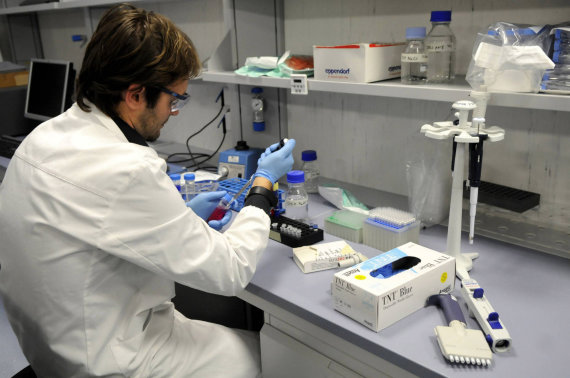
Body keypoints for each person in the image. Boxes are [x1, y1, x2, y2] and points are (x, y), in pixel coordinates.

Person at [0, 4, 295, 377]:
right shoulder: (127, 168)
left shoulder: (41, 139)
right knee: (270, 357)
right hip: (113, 359)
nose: (173, 113)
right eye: (174, 101)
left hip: (56, 347)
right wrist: (262, 188)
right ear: (136, 94)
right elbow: (230, 271)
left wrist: (181, 218)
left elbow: (94, 222)